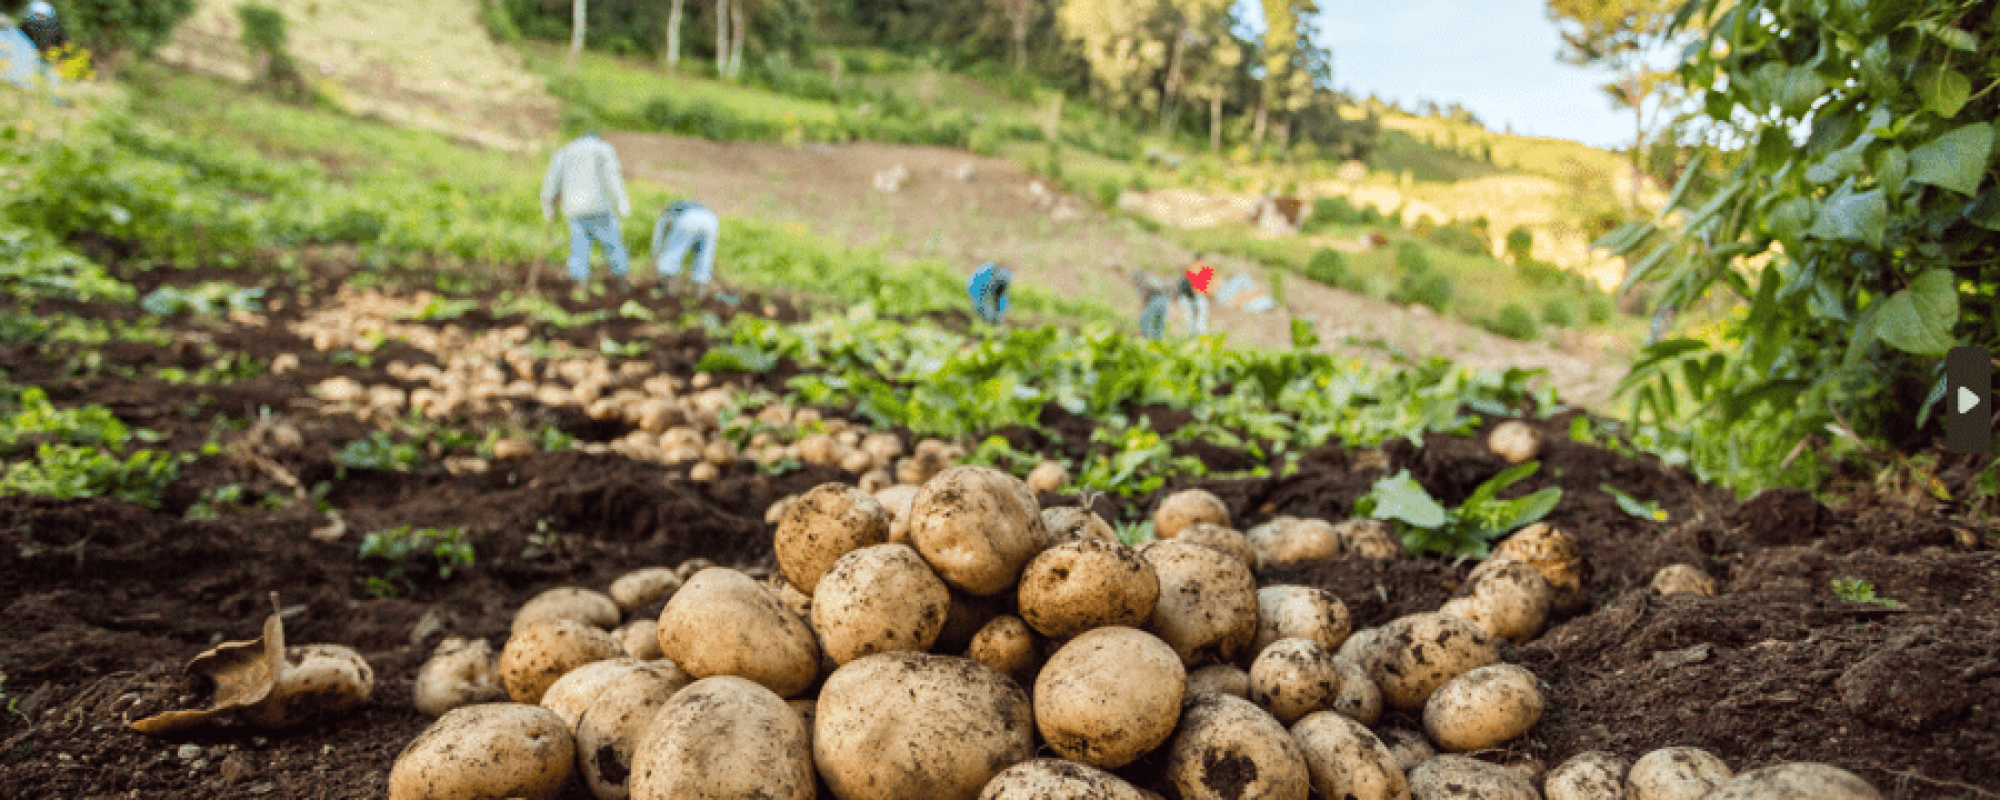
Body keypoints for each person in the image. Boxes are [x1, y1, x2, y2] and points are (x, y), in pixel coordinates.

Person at [541, 130, 632, 294]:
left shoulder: (566, 151)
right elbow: (612, 177)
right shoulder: (603, 149)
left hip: (574, 208)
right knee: (612, 244)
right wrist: (622, 202)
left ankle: (580, 286)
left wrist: (548, 207)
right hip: (599, 206)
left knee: (579, 247)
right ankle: (622, 282)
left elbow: (551, 181)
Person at [651, 200, 720, 294]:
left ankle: (668, 295)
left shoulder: (665, 216)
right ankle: (700, 297)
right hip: (711, 219)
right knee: (704, 260)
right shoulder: (677, 210)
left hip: (689, 218)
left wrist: (657, 263)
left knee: (671, 259)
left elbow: (657, 241)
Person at [1178, 253, 1215, 336]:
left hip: (1188, 297)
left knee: (1190, 320)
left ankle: (1191, 337)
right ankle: (1200, 338)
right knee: (1201, 319)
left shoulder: (1189, 267)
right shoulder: (1206, 268)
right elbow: (1211, 285)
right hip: (1200, 296)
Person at [1132, 269, 1173, 340]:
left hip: (1155, 301)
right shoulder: (1154, 280)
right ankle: (1157, 343)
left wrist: (1141, 308)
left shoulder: (1145, 283)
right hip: (1164, 301)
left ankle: (1147, 341)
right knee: (1158, 325)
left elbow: (1144, 298)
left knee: (1145, 322)